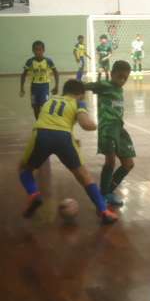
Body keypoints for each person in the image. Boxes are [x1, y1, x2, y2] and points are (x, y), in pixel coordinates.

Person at [18, 79, 118, 224]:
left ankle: (33, 193)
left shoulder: (50, 100)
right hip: (63, 138)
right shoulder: (78, 103)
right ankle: (104, 211)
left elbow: (53, 121)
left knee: (24, 169)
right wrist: (95, 124)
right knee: (84, 176)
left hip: (41, 134)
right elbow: (86, 124)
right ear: (80, 95)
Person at [84, 61, 135, 207]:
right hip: (107, 129)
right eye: (120, 76)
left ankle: (107, 192)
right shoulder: (104, 85)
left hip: (119, 129)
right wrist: (73, 91)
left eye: (126, 78)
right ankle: (104, 194)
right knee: (110, 161)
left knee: (128, 164)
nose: (123, 80)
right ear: (112, 74)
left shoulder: (119, 89)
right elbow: (86, 86)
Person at [20, 40, 59, 119]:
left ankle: (44, 122)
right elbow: (23, 75)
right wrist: (21, 88)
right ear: (33, 51)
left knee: (44, 105)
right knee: (35, 107)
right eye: (36, 50)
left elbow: (56, 73)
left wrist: (56, 86)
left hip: (44, 86)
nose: (38, 52)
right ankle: (38, 123)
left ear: (43, 50)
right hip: (34, 87)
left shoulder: (48, 61)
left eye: (39, 49)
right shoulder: (30, 61)